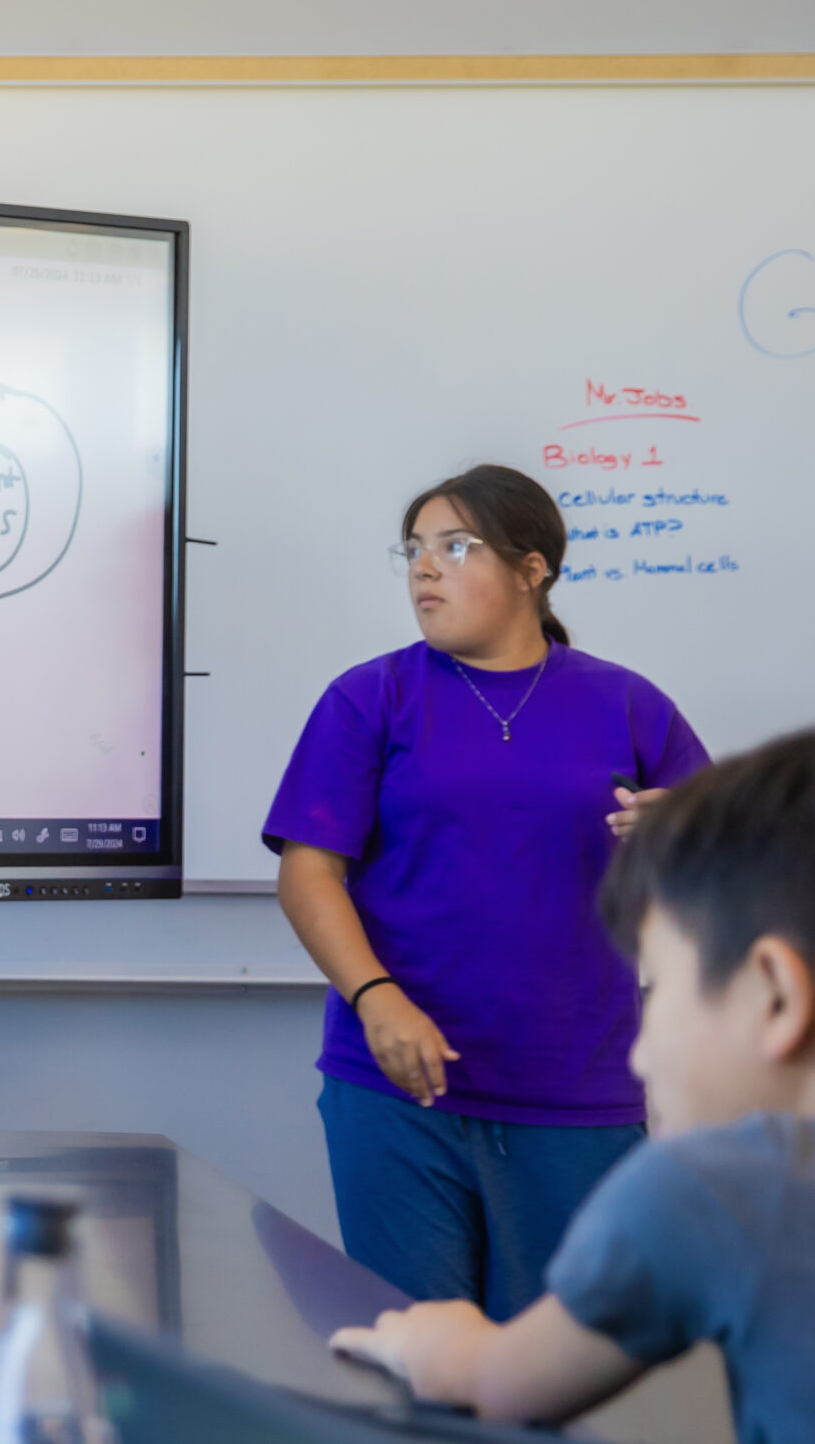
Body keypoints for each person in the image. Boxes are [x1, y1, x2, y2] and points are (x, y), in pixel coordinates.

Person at [333, 726, 815, 1444]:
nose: (640, 1052)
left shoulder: (723, 1185)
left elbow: (501, 1384)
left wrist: (422, 1340)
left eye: (657, 986)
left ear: (776, 995)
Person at [266, 464, 709, 1318]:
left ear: (532, 569)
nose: (424, 569)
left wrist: (687, 840)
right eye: (414, 550)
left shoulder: (627, 704)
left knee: (553, 1362)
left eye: (456, 546)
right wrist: (376, 999)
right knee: (413, 1358)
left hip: (576, 1092)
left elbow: (731, 881)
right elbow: (308, 872)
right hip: (398, 1087)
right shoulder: (370, 698)